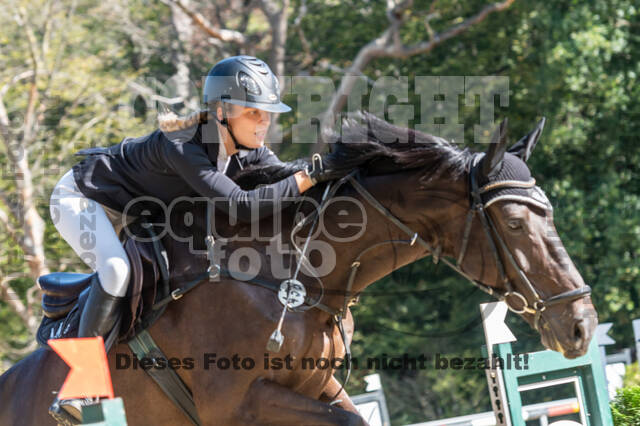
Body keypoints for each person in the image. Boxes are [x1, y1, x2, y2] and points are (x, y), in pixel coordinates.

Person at [48, 56, 331, 423]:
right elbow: (240, 205)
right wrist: (308, 177)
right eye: (254, 113)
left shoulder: (246, 148)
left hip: (138, 213)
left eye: (267, 113)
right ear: (223, 110)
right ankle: (82, 389)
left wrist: (329, 171)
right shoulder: (182, 145)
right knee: (116, 270)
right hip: (84, 200)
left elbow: (284, 177)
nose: (264, 122)